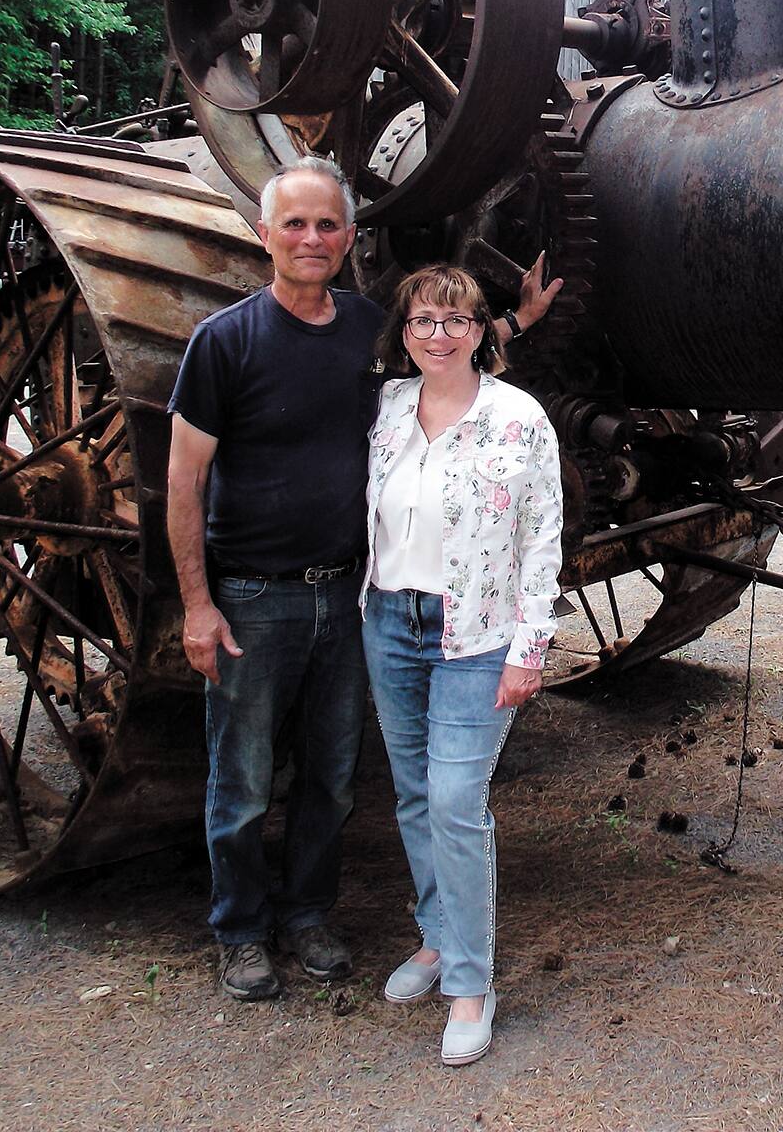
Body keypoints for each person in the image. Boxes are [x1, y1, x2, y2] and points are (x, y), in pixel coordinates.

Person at [168, 159, 555, 1002]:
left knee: (333, 777)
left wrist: (514, 322)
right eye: (295, 225)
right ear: (263, 233)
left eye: (329, 225)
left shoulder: (364, 331)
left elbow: (446, 362)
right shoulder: (223, 341)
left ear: (350, 237)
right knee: (239, 778)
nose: (313, 240)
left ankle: (308, 915)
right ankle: (239, 930)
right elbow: (183, 482)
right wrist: (197, 604)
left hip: (351, 599)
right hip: (254, 597)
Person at [363, 264, 562, 1066]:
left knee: (455, 797)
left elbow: (543, 539)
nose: (436, 335)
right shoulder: (385, 410)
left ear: (481, 332)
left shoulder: (519, 419)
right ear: (403, 333)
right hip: (389, 620)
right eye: (421, 322)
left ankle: (471, 986)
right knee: (414, 794)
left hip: (476, 637)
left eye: (453, 322)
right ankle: (437, 937)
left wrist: (530, 647)